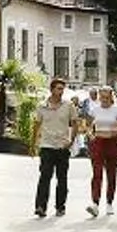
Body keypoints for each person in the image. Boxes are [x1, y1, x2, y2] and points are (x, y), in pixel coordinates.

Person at [31, 78, 80, 219]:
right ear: (51, 89)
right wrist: (33, 144)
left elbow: (75, 123)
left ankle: (60, 206)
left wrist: (71, 140)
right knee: (44, 177)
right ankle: (40, 206)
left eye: (62, 89)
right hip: (46, 145)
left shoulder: (69, 105)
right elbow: (36, 125)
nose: (61, 91)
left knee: (62, 178)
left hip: (62, 146)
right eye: (58, 88)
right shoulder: (42, 106)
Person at [83, 84, 117, 217]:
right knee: (97, 174)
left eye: (106, 97)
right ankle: (95, 203)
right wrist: (90, 134)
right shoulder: (94, 110)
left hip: (112, 143)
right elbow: (88, 125)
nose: (104, 99)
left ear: (111, 97)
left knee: (111, 174)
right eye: (102, 97)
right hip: (98, 142)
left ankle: (109, 202)